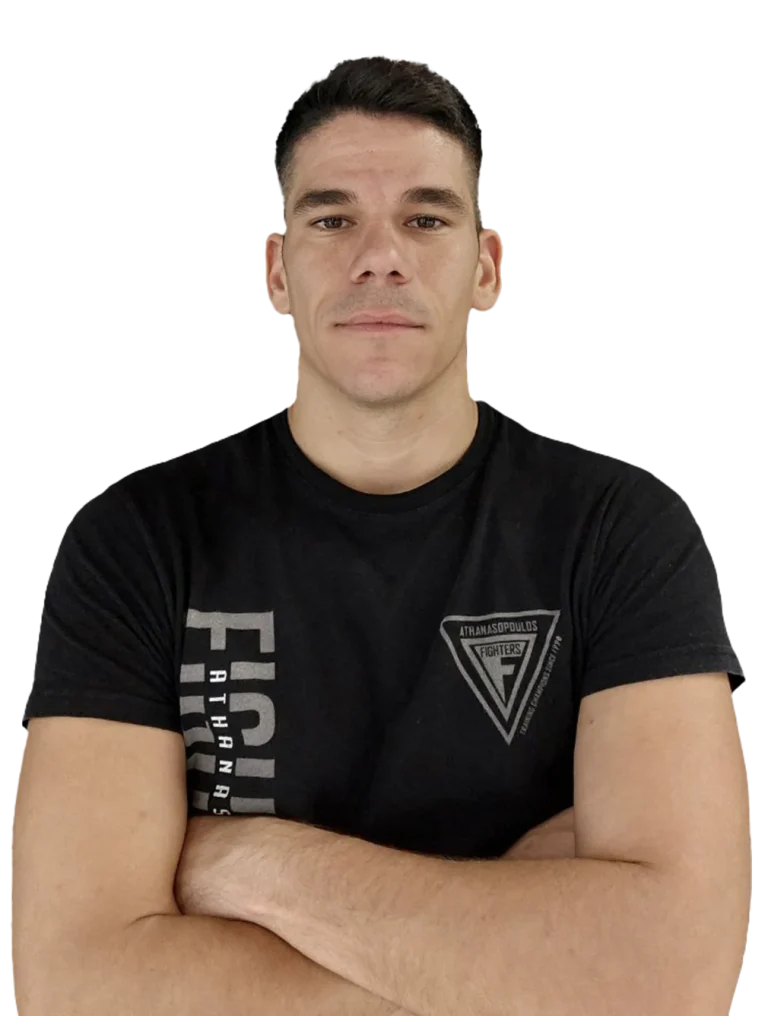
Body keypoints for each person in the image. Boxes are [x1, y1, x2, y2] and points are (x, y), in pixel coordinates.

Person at [13, 55, 750, 1016]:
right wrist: (519, 960)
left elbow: (674, 977)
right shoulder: (137, 540)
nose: (380, 256)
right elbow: (74, 987)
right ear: (277, 272)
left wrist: (238, 862)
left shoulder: (621, 529)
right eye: (331, 219)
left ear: (486, 268)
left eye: (426, 218)